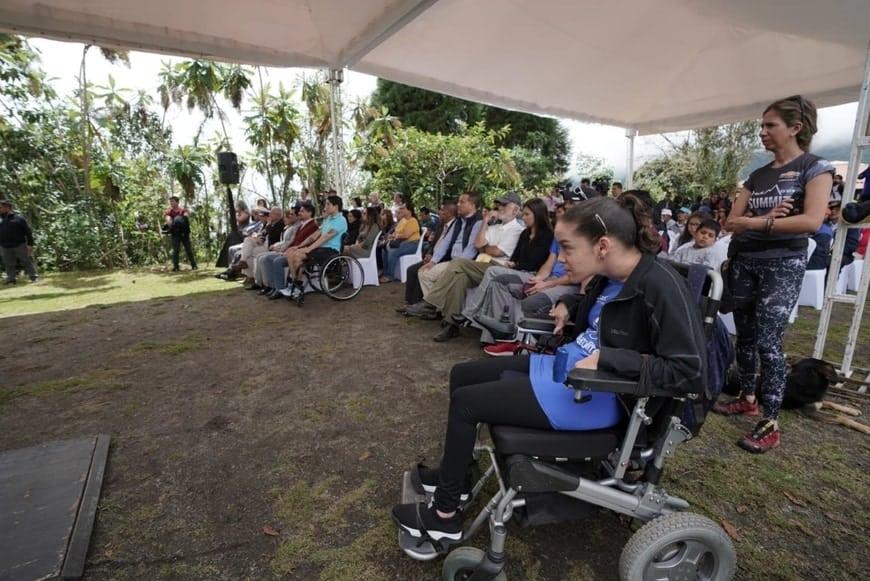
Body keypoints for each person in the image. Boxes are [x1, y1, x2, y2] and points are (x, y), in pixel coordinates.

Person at [390, 194, 707, 542]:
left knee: (467, 404)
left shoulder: (659, 285)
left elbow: (688, 372)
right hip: (567, 371)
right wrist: (570, 302)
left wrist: (609, 359)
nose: (562, 258)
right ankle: (458, 479)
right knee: (462, 375)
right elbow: (603, 313)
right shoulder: (611, 276)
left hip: (598, 393)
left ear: (602, 246)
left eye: (568, 248)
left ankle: (444, 516)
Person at [714, 95, 834, 453]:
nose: (762, 132)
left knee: (769, 342)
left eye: (771, 125)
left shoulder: (816, 167)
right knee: (745, 337)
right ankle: (748, 397)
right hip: (745, 260)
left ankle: (770, 421)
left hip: (782, 264)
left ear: (795, 128)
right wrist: (770, 219)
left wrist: (755, 222)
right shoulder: (758, 174)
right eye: (761, 125)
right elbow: (730, 222)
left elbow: (811, 221)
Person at [403, 192, 525, 340]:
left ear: (515, 210)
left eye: (505, 205)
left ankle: (430, 303)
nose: (500, 208)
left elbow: (496, 252)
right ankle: (451, 325)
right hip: (481, 265)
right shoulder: (493, 226)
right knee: (459, 277)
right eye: (499, 205)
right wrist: (486, 221)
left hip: (498, 268)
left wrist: (485, 247)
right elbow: (478, 244)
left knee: (457, 263)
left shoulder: (516, 229)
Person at [282, 195, 348, 302]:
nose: (325, 207)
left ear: (336, 206)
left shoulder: (341, 220)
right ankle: (294, 283)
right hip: (321, 248)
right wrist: (299, 246)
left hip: (331, 250)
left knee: (298, 256)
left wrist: (308, 249)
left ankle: (296, 286)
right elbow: (314, 236)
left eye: (328, 204)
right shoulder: (328, 219)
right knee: (291, 252)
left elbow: (325, 238)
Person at [398, 201, 459, 309]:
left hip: (443, 260)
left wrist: (435, 259)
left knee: (420, 271)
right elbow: (433, 243)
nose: (439, 212)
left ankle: (419, 304)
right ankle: (410, 302)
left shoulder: (456, 227)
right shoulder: (441, 225)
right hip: (433, 257)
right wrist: (429, 254)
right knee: (411, 269)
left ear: (449, 213)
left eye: (442, 210)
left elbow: (451, 248)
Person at [262, 201, 319, 298]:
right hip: (291, 250)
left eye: (302, 211)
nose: (299, 213)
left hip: (299, 252)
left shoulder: (313, 225)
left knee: (277, 261)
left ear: (310, 213)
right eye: (300, 211)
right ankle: (272, 286)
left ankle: (280, 289)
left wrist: (290, 250)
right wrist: (286, 250)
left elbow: (308, 242)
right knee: (267, 258)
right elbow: (294, 241)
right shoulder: (302, 225)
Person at [248, 208, 300, 291]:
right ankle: (266, 285)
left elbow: (290, 242)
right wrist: (275, 245)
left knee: (265, 258)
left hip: (284, 250)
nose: (285, 219)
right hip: (278, 248)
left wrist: (278, 248)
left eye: (290, 216)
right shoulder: (287, 227)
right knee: (259, 256)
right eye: (287, 216)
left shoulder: (292, 227)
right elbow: (282, 241)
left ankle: (275, 287)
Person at [0, 199, 38, 285]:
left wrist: (30, 244)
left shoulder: (19, 218)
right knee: (9, 263)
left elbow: (28, 232)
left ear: (7, 207)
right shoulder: (1, 219)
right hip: (4, 246)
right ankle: (11, 280)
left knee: (26, 261)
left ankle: (34, 277)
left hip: (19, 244)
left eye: (0, 207)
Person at [381, 203, 421, 283]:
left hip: (412, 244)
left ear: (409, 211)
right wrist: (392, 236)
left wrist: (395, 236)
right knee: (384, 250)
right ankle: (385, 273)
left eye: (403, 208)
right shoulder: (403, 221)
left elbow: (406, 236)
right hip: (402, 243)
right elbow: (396, 232)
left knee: (393, 252)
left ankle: (390, 276)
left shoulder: (413, 220)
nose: (401, 210)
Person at [164, 196, 197, 272]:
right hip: (175, 233)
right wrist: (171, 222)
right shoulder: (169, 212)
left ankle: (194, 265)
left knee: (188, 249)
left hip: (184, 233)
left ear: (177, 202)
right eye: (170, 201)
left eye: (173, 201)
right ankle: (176, 267)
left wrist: (179, 220)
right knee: (176, 250)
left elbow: (186, 217)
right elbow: (168, 221)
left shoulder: (183, 210)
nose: (171, 203)